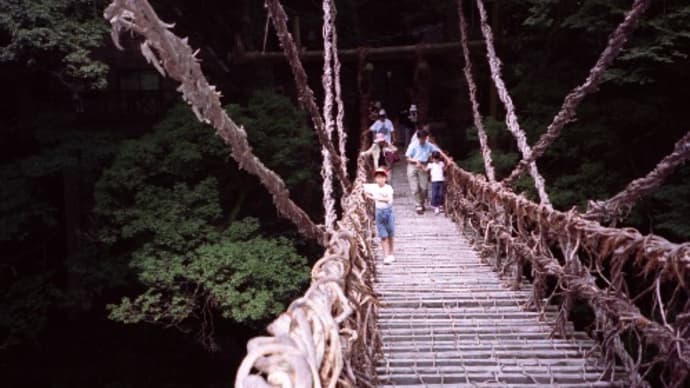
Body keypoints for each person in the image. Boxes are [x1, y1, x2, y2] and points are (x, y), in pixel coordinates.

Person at [365, 168, 396, 264]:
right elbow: (361, 186)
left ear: (386, 178)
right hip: (379, 213)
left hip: (388, 212)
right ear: (375, 179)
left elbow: (388, 199)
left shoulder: (388, 188)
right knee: (383, 235)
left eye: (382, 177)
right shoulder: (373, 187)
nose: (380, 179)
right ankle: (386, 256)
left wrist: (373, 197)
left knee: (390, 234)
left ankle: (391, 253)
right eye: (378, 177)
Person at [405, 129, 439, 214]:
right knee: (415, 187)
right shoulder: (413, 145)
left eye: (424, 138)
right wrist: (415, 161)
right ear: (418, 138)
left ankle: (422, 203)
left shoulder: (429, 145)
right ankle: (418, 205)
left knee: (424, 187)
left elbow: (437, 151)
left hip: (423, 165)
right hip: (413, 165)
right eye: (421, 138)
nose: (422, 140)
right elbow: (407, 157)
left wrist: (446, 159)